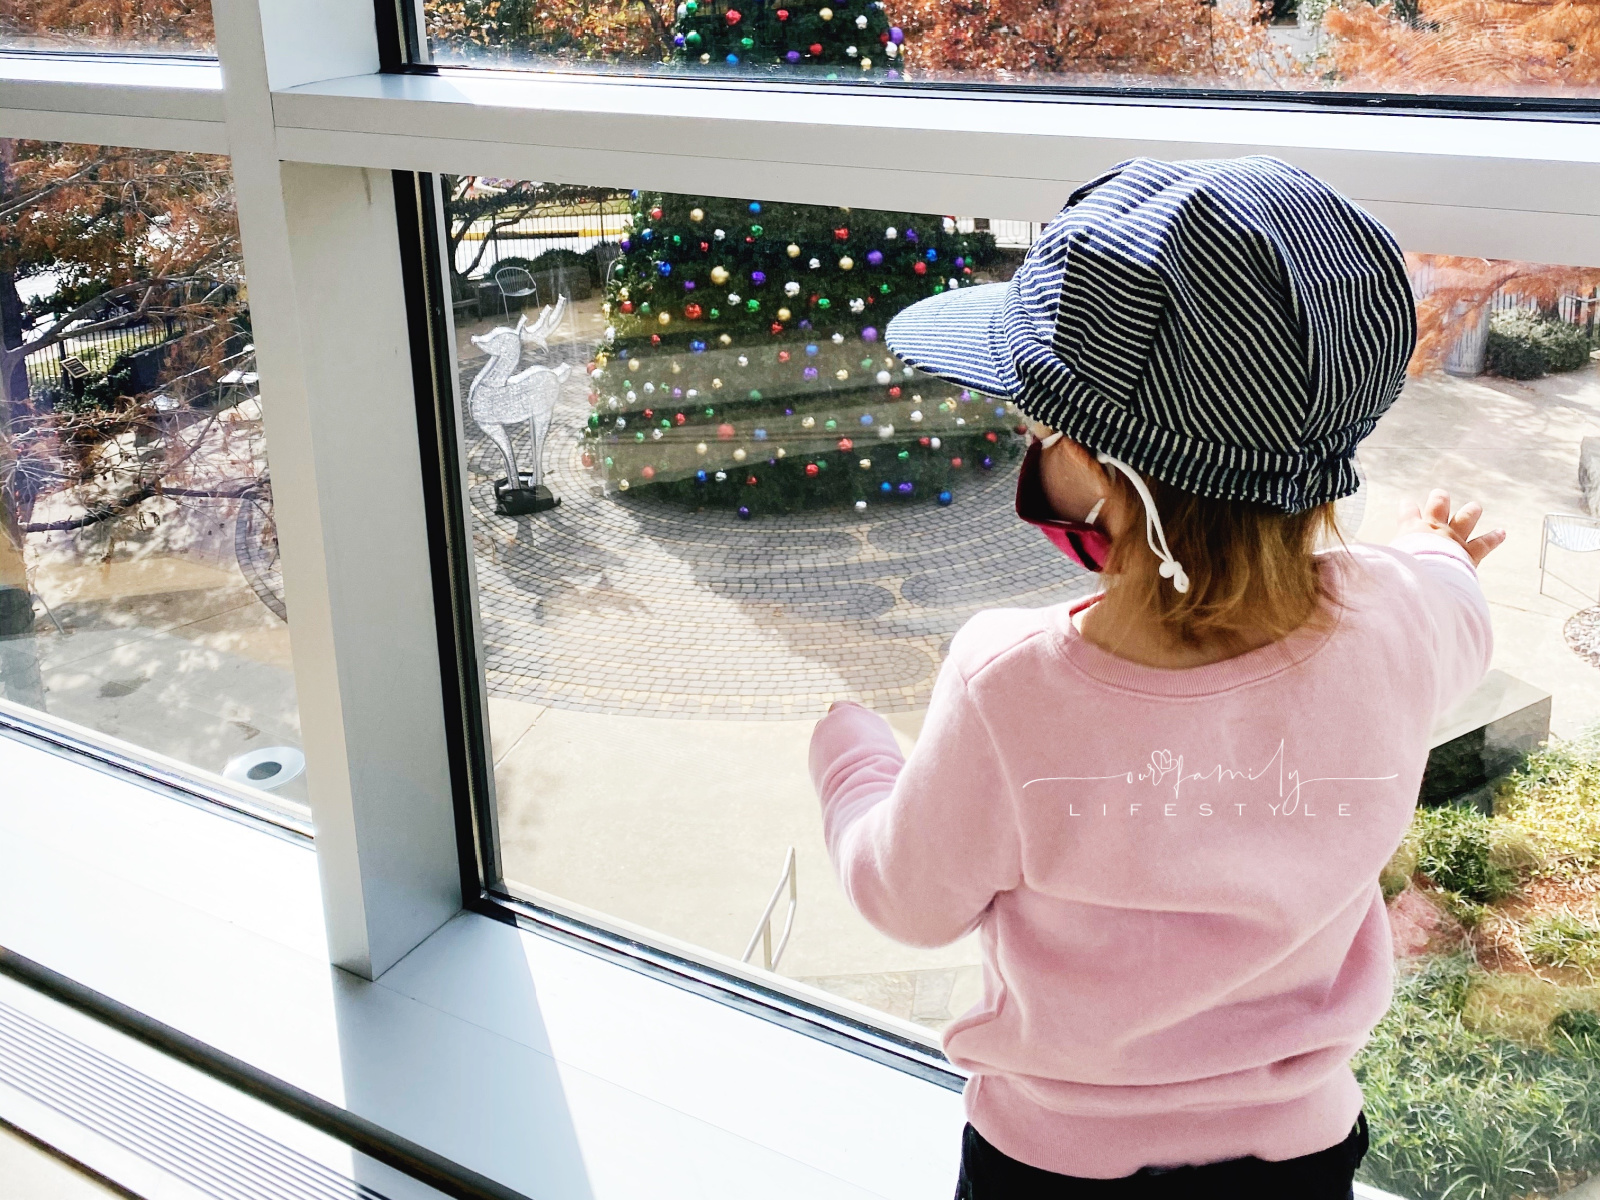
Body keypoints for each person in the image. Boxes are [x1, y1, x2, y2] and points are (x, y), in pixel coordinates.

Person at [807, 156, 1504, 1199]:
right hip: (1299, 1155)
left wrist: (853, 767)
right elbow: (1453, 604)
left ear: (1091, 462)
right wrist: (1434, 547)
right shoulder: (1399, 619)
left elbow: (907, 900)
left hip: (1052, 1166)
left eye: (1032, 426)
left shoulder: (1010, 686)